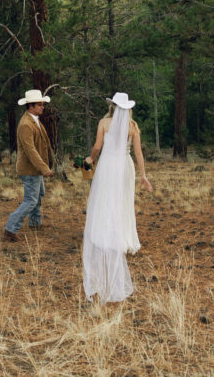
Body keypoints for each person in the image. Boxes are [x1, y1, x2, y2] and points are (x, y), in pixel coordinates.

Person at [83, 92, 153, 302]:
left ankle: (105, 233)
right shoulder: (133, 126)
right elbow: (138, 153)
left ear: (112, 106)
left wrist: (90, 158)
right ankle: (123, 237)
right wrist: (143, 175)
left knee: (105, 200)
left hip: (107, 165)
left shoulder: (104, 122)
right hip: (124, 166)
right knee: (122, 203)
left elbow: (97, 147)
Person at [4, 89, 53, 241]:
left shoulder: (34, 120)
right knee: (31, 200)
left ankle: (35, 222)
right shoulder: (26, 124)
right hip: (30, 169)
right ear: (31, 106)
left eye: (42, 104)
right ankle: (10, 229)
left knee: (38, 195)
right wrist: (44, 168)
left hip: (35, 168)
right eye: (39, 105)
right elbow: (30, 150)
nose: (42, 107)